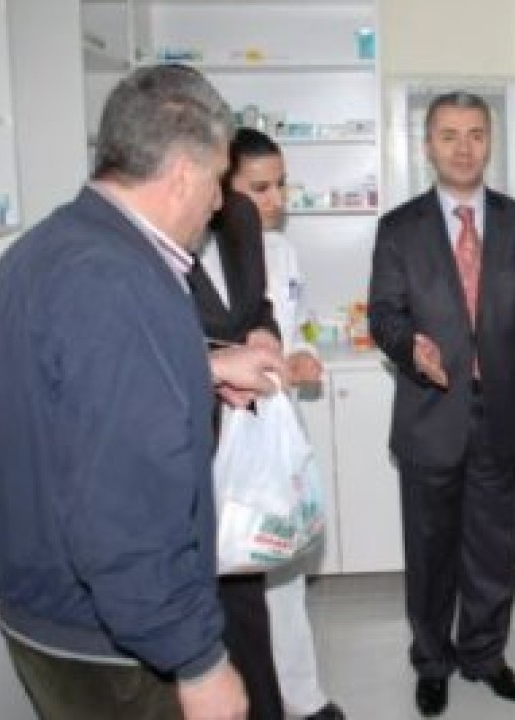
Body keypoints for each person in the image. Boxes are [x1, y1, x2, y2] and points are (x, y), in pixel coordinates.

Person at [0, 63, 284, 720]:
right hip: (115, 647)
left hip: (52, 612)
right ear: (183, 175)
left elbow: (73, 394)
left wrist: (205, 366)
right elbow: (125, 505)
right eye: (217, 178)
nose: (219, 203)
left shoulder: (48, 249)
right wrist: (198, 661)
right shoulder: (116, 284)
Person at [368, 90, 515, 718]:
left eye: (475, 134)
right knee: (430, 552)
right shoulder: (399, 228)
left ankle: (485, 655)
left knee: (494, 548)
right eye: (449, 135)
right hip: (430, 412)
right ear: (428, 145)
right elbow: (384, 313)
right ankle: (432, 662)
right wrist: (408, 345)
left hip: (504, 411)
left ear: (490, 142)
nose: (464, 147)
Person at [223, 126, 343, 720]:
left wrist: (300, 357)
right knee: (239, 578)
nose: (277, 200)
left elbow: (291, 332)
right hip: (232, 437)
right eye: (260, 188)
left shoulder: (282, 249)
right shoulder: (208, 254)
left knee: (285, 569)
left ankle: (302, 697)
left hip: (279, 431)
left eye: (282, 185)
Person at [191, 173, 285, 720]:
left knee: (245, 598)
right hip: (182, 443)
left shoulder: (240, 217)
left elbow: (255, 305)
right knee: (194, 611)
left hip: (242, 436)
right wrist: (211, 366)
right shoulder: (144, 236)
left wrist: (265, 332)